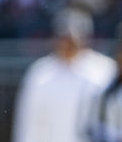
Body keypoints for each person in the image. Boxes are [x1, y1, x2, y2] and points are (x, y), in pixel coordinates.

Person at [12, 7, 115, 142]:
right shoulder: (40, 73)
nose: (67, 43)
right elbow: (26, 121)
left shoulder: (105, 71)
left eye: (73, 38)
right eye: (63, 37)